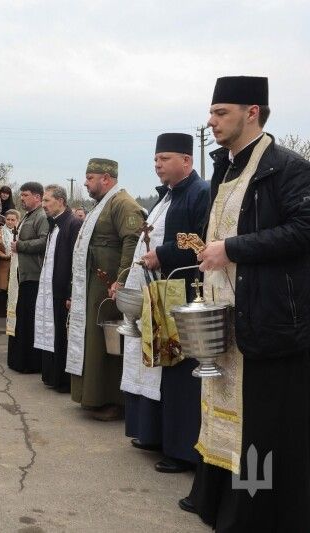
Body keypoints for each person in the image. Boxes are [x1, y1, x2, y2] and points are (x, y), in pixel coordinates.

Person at [181, 76, 310, 532]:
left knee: (260, 430)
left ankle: (255, 515)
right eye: (211, 113)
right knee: (223, 415)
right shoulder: (226, 167)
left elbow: (303, 231)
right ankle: (220, 505)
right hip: (227, 316)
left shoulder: (287, 167)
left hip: (267, 319)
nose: (211, 121)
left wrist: (231, 249)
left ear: (252, 112)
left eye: (221, 112)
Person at [119, 133, 209, 474]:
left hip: (186, 295)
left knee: (181, 373)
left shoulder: (200, 194)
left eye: (165, 159)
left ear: (186, 161)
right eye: (156, 159)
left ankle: (183, 450)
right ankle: (155, 435)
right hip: (160, 294)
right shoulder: (165, 198)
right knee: (160, 367)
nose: (157, 164)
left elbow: (203, 241)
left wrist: (164, 254)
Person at [66, 158, 144, 421]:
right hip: (93, 284)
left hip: (108, 287)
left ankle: (112, 400)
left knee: (108, 343)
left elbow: (132, 241)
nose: (86, 183)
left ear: (106, 179)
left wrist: (121, 280)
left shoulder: (123, 203)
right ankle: (92, 396)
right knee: (93, 340)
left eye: (90, 178)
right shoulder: (102, 204)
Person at [34, 184, 82, 392]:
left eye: (47, 200)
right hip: (50, 289)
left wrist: (71, 291)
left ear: (60, 201)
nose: (43, 205)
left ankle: (63, 379)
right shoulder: (54, 224)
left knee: (62, 333)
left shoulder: (73, 224)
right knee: (50, 330)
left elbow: (77, 261)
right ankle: (51, 375)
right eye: (43, 200)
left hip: (63, 291)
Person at [7, 182, 49, 373]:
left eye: (25, 195)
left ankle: (31, 363)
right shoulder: (28, 215)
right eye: (21, 195)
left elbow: (44, 241)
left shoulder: (41, 216)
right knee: (22, 319)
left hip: (34, 276)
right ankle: (20, 360)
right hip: (23, 276)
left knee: (30, 321)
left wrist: (21, 246)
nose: (22, 198)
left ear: (37, 197)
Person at [0, 209, 20, 291]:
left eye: (13, 220)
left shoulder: (21, 232)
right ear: (5, 219)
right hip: (3, 265)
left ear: (17, 220)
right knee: (3, 293)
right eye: (8, 219)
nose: (10, 222)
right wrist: (4, 255)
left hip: (18, 266)